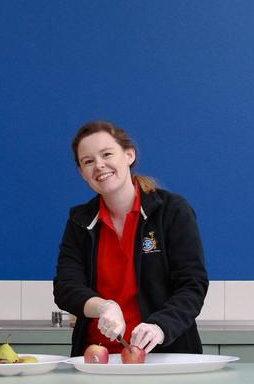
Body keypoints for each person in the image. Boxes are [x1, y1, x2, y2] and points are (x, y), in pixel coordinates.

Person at [53, 120, 208, 357]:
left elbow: (192, 285)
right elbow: (66, 288)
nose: (99, 165)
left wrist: (160, 327)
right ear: (82, 173)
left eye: (107, 154)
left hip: (164, 356)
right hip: (97, 359)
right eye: (88, 161)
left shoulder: (172, 211)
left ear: (129, 155)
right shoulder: (79, 221)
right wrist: (103, 306)